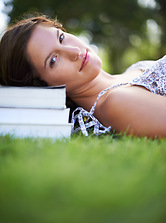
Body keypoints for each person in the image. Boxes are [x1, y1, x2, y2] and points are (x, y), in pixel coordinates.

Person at [0, 15, 166, 138]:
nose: (74, 52)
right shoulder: (116, 102)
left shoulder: (129, 73)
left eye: (61, 38)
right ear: (44, 87)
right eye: (53, 60)